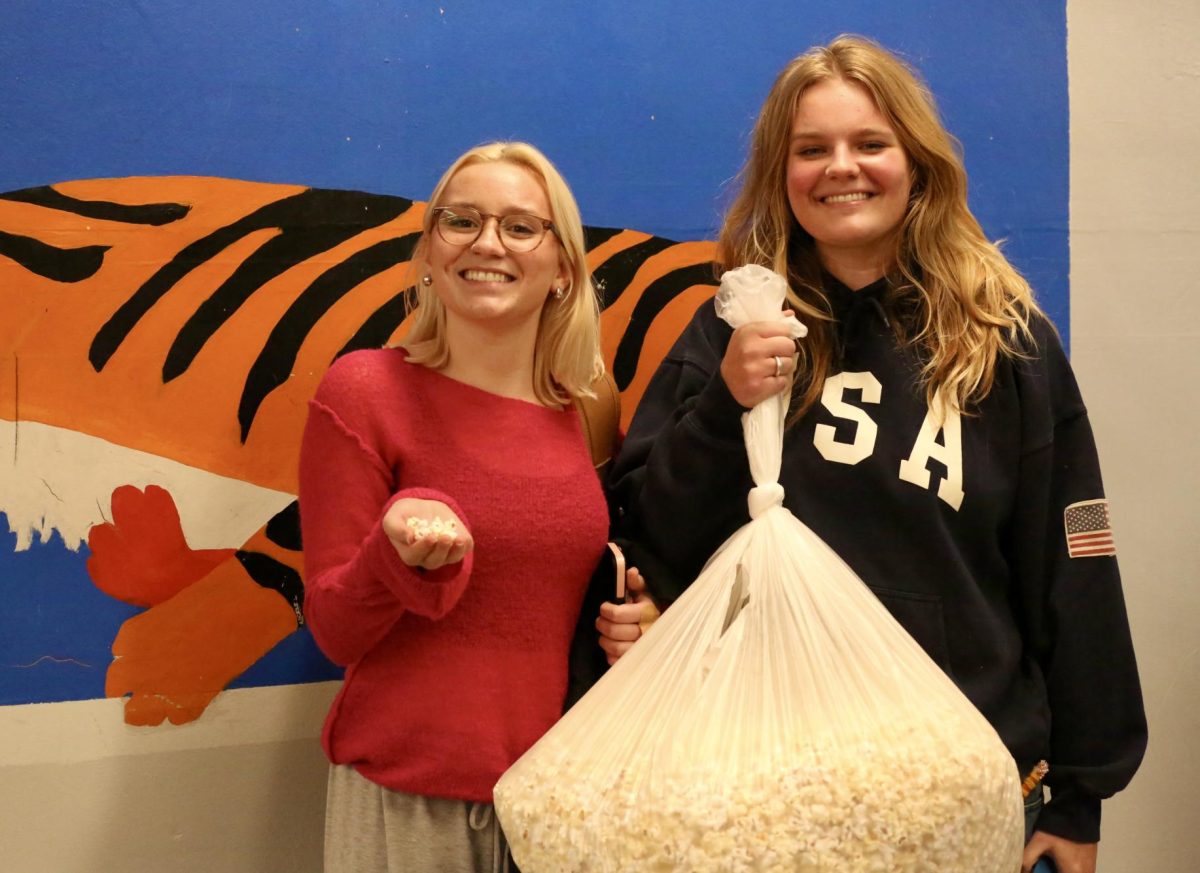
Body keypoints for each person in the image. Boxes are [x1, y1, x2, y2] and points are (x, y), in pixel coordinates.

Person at [607, 35, 1146, 873]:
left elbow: (1070, 564)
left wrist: (1080, 795)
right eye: (811, 149)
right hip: (758, 778)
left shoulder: (1004, 338)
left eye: (870, 144)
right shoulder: (733, 325)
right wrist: (726, 404)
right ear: (779, 174)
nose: (841, 168)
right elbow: (649, 533)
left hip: (960, 782)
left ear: (917, 162)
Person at [298, 141, 642, 873]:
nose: (488, 242)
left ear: (562, 270)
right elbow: (333, 628)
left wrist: (639, 618)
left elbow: (572, 590)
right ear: (429, 250)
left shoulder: (587, 408)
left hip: (555, 800)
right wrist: (389, 554)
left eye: (521, 227)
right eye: (462, 220)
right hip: (409, 796)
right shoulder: (364, 392)